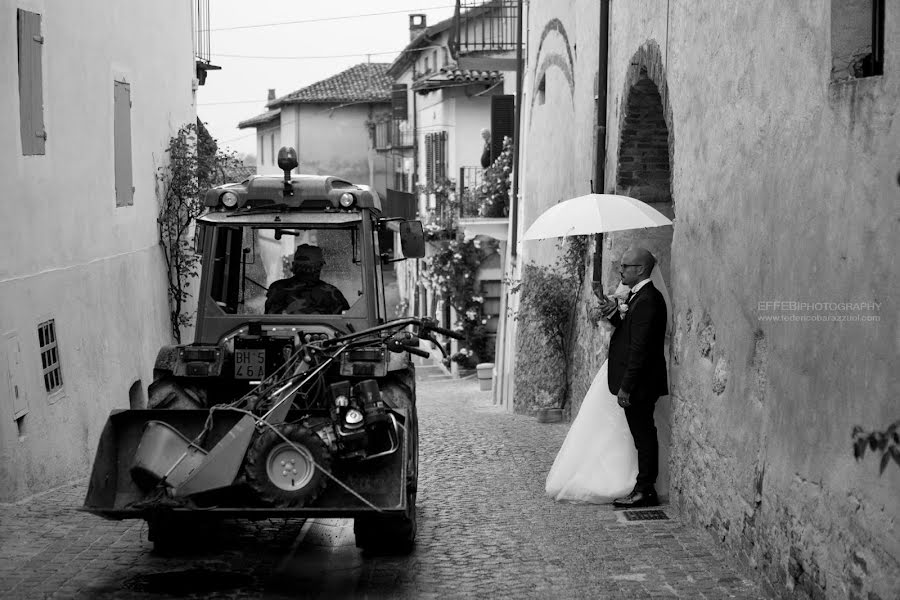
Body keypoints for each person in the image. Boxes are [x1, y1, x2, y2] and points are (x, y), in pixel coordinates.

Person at [545, 247, 670, 506]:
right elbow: (629, 332)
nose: (620, 270)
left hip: (641, 383)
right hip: (638, 381)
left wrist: (627, 387)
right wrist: (613, 311)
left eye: (625, 266)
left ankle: (646, 490)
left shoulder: (648, 299)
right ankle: (643, 486)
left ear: (641, 269)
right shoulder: (639, 297)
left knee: (644, 435)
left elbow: (640, 349)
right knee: (641, 434)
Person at [265, 244, 350, 315]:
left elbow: (268, 318)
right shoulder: (331, 293)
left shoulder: (276, 288)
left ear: (294, 265)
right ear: (319, 267)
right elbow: (347, 322)